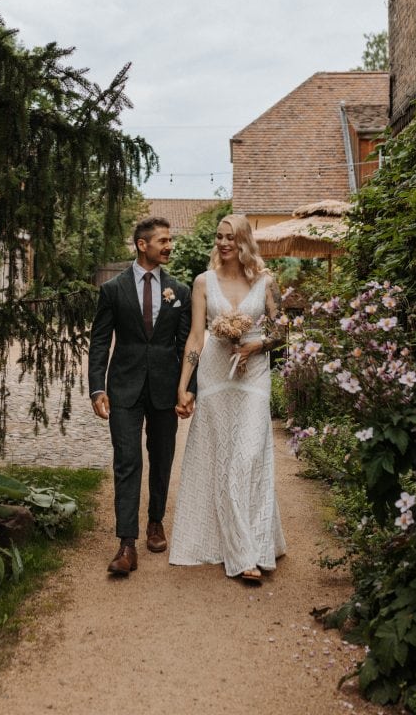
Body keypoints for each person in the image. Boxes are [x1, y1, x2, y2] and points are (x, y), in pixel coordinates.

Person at [169, 214, 287, 580]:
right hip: (216, 377)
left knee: (249, 454)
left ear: (244, 243)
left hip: (253, 377)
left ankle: (255, 542)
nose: (223, 243)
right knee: (224, 457)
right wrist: (184, 384)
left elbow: (282, 331)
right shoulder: (203, 282)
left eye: (230, 238)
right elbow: (196, 337)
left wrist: (258, 344)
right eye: (219, 237)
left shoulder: (267, 282)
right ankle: (244, 555)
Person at [88, 216, 194, 576]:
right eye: (162, 241)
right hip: (125, 387)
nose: (169, 246)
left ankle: (155, 521)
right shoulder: (113, 290)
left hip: (165, 389)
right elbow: (100, 341)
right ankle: (126, 544)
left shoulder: (179, 291)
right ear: (142, 245)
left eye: (169, 240)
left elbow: (185, 345)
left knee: (162, 458)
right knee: (127, 460)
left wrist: (187, 388)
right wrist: (97, 387)